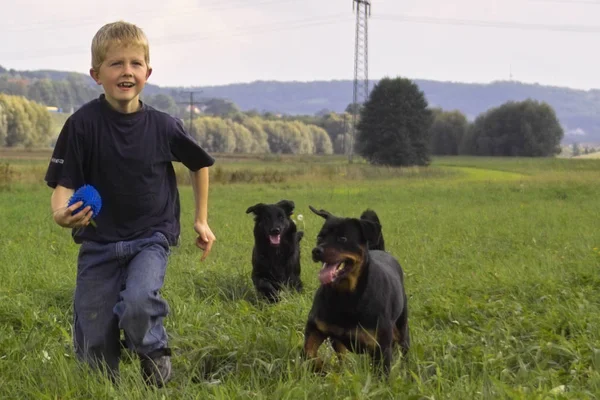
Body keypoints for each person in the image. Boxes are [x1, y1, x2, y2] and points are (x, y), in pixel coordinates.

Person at [44, 20, 216, 387]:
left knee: (138, 302)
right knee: (93, 333)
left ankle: (153, 354)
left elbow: (199, 163)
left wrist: (201, 220)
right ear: (96, 74)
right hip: (98, 242)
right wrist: (61, 214)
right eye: (116, 64)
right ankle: (104, 386)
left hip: (150, 237)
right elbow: (64, 184)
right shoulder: (81, 125)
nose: (127, 71)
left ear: (147, 72)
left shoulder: (164, 126)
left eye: (135, 64)